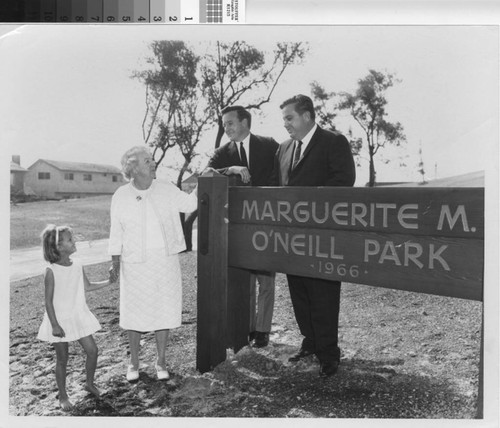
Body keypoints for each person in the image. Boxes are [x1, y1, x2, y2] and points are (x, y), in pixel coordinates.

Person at [270, 94, 356, 377]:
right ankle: (310, 342)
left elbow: (343, 182)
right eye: (284, 119)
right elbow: (276, 188)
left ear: (307, 116)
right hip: (292, 239)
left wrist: (310, 206)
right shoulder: (283, 149)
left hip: (323, 238)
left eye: (289, 118)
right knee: (300, 292)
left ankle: (329, 353)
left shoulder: (334, 142)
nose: (286, 124)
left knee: (323, 293)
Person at [108, 146, 197, 382]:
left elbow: (189, 204)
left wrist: (205, 178)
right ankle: (134, 362)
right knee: (134, 311)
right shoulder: (121, 195)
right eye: (147, 161)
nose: (153, 162)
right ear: (133, 168)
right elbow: (115, 231)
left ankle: (161, 361)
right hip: (134, 262)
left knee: (163, 309)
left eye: (152, 159)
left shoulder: (166, 188)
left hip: (165, 260)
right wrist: (114, 260)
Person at [206, 105, 279, 348]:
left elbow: (282, 176)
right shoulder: (222, 152)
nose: (226, 128)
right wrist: (230, 169)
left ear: (245, 123)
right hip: (235, 228)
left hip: (266, 224)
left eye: (230, 123)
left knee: (266, 281)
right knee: (243, 279)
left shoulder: (269, 145)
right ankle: (245, 328)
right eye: (224, 124)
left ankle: (262, 330)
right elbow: (205, 173)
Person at [37, 224, 114, 411]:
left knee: (93, 351)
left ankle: (89, 383)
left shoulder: (78, 264)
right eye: (70, 239)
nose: (75, 241)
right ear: (58, 247)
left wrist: (110, 281)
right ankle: (63, 396)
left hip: (78, 316)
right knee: (62, 358)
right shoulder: (51, 270)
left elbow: (87, 286)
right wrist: (54, 325)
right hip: (59, 320)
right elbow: (48, 302)